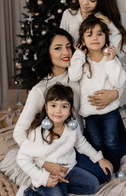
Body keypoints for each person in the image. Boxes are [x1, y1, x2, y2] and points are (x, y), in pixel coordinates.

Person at [13, 28, 113, 189]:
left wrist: (114, 94)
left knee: (105, 174)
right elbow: (19, 132)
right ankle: (45, 186)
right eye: (58, 48)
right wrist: (44, 163)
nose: (66, 52)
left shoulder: (77, 77)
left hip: (76, 143)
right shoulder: (40, 90)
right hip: (52, 150)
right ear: (48, 53)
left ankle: (64, 179)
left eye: (68, 47)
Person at [60, 0, 126, 153]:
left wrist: (115, 93)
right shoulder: (69, 15)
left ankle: (123, 143)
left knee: (108, 110)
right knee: (85, 117)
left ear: (101, 0)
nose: (85, 3)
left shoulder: (103, 21)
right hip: (76, 71)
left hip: (98, 73)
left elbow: (116, 55)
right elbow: (62, 43)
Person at [17, 83, 113, 196]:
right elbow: (22, 158)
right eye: (53, 105)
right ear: (46, 108)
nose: (58, 111)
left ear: (70, 110)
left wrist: (99, 158)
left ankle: (61, 188)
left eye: (64, 106)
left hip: (68, 171)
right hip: (46, 175)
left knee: (92, 185)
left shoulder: (72, 127)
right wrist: (42, 178)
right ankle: (27, 192)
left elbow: (81, 144)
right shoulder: (38, 133)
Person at [68, 15, 126, 172]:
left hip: (109, 112)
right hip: (90, 114)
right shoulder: (82, 59)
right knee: (97, 143)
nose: (95, 38)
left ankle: (114, 169)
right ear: (82, 39)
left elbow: (118, 81)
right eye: (89, 34)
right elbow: (73, 76)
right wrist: (79, 54)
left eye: (99, 34)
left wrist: (111, 61)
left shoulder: (109, 58)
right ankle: (102, 167)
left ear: (106, 37)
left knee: (111, 142)